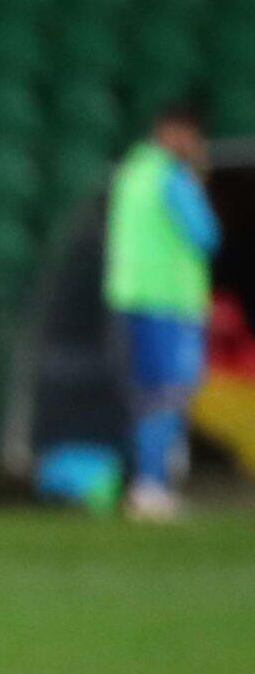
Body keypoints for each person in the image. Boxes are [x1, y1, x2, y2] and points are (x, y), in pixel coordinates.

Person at [104, 98, 221, 520]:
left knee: (148, 395)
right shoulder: (171, 177)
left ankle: (146, 483)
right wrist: (198, 181)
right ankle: (151, 486)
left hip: (131, 297)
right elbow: (206, 235)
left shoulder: (131, 171)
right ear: (177, 133)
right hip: (168, 301)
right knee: (168, 394)